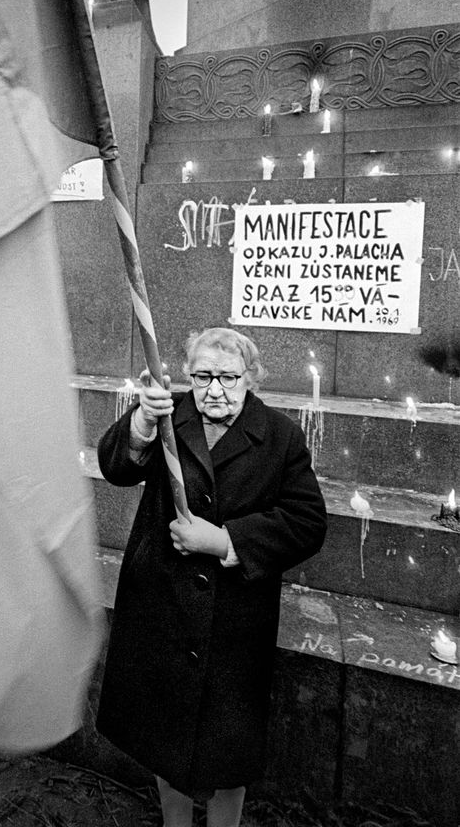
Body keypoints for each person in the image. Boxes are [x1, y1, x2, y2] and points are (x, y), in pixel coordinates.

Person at [96, 327, 328, 827]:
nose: (214, 389)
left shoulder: (280, 435)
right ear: (188, 376)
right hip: (165, 607)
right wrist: (141, 419)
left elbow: (308, 522)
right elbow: (114, 466)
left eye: (227, 377)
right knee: (165, 739)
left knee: (229, 753)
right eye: (203, 376)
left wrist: (224, 541)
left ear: (252, 378)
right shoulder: (167, 415)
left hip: (234, 620)